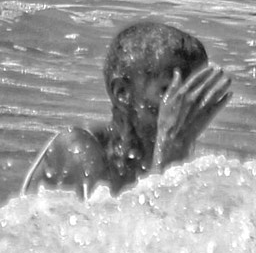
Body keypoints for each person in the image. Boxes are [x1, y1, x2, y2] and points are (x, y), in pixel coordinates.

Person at [20, 20, 233, 197]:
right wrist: (171, 151)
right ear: (122, 93)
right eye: (169, 90)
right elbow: (118, 237)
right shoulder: (75, 148)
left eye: (192, 92)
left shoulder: (158, 160)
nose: (183, 107)